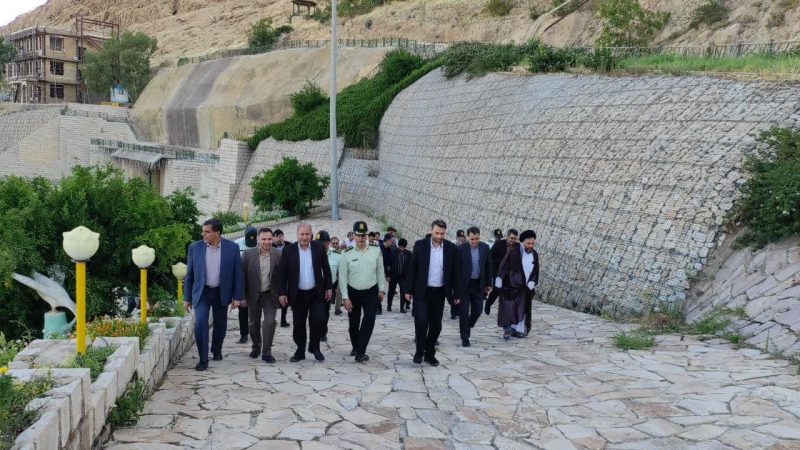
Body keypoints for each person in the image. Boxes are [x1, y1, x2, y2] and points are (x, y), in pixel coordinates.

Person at [183, 218, 245, 371]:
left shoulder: (232, 248)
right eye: (203, 231)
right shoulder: (194, 248)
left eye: (207, 232)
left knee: (220, 325)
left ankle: (216, 349)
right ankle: (203, 360)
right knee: (200, 324)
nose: (203, 234)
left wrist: (237, 297)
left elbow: (238, 274)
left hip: (221, 292)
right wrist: (187, 298)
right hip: (202, 292)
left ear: (217, 233)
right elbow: (189, 275)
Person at [275, 222, 332, 362]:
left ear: (311, 235)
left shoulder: (319, 248)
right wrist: (282, 293)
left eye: (307, 234)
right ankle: (300, 351)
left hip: (316, 292)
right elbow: (281, 273)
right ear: (297, 234)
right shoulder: (288, 250)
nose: (304, 237)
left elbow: (326, 268)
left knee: (318, 320)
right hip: (298, 294)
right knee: (299, 324)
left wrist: (329, 287)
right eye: (302, 234)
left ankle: (315, 348)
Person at [405, 219, 459, 366]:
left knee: (436, 326)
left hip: (440, 292)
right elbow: (412, 268)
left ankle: (429, 353)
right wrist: (408, 290)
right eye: (437, 233)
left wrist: (457, 294)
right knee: (421, 321)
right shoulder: (420, 245)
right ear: (431, 230)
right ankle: (419, 351)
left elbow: (456, 272)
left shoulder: (451, 248)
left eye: (442, 234)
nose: (439, 236)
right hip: (422, 291)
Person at [340, 221, 386, 362]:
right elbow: (343, 276)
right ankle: (356, 346)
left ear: (366, 235)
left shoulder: (375, 250)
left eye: (363, 235)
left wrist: (381, 289)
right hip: (353, 292)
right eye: (358, 235)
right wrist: (345, 297)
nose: (361, 238)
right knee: (354, 323)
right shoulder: (346, 253)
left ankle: (361, 351)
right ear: (353, 235)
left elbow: (380, 271)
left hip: (371, 291)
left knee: (370, 319)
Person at [241, 228, 282, 363]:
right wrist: (241, 296)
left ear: (273, 239)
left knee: (270, 322)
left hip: (270, 294)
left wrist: (283, 293)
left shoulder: (278, 254)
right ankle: (256, 346)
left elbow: (284, 276)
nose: (266, 242)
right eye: (263, 239)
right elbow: (241, 276)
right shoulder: (248, 254)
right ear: (258, 239)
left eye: (269, 239)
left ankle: (267, 352)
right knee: (253, 323)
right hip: (253, 294)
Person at [495, 230, 539, 340]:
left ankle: (518, 331)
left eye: (532, 243)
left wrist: (532, 281)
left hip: (525, 288)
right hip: (510, 286)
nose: (531, 246)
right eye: (528, 243)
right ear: (523, 242)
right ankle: (507, 330)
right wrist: (499, 278)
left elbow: (536, 270)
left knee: (521, 310)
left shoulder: (534, 254)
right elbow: (503, 265)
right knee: (509, 308)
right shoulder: (513, 252)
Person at [456, 227, 492, 347]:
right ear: (467, 238)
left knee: (478, 310)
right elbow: (456, 269)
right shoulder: (461, 249)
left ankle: (468, 325)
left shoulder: (485, 248)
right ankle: (465, 337)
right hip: (464, 286)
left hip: (478, 285)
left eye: (477, 239)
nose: (475, 241)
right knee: (463, 312)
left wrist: (488, 283)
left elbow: (488, 266)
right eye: (472, 239)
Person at [234, 226, 258, 344]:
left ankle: (256, 335)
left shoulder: (260, 244)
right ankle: (243, 335)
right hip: (242, 281)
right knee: (242, 309)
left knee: (255, 310)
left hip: (256, 281)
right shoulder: (237, 244)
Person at [485, 229, 518, 315]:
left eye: (515, 238)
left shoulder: (518, 247)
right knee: (497, 290)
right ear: (507, 236)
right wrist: (503, 262)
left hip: (510, 274)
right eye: (511, 238)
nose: (513, 240)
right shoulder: (499, 244)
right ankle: (488, 303)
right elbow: (491, 256)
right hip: (498, 271)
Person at [316, 230, 340, 343]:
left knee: (325, 311)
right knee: (316, 312)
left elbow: (341, 272)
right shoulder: (312, 253)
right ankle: (316, 332)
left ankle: (323, 332)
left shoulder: (337, 255)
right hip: (315, 288)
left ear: (327, 243)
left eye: (322, 243)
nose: (320, 245)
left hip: (329, 288)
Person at [273, 229, 292, 327]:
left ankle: (283, 320)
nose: (280, 238)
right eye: (278, 236)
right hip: (274, 274)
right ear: (274, 238)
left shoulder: (289, 245)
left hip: (286, 274)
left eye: (281, 236)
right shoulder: (271, 246)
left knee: (285, 295)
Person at [389, 238, 412, 313]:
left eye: (403, 247)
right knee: (391, 291)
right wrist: (388, 275)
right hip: (394, 275)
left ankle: (402, 307)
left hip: (403, 276)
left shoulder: (409, 253)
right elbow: (389, 264)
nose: (402, 249)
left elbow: (410, 265)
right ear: (398, 246)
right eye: (400, 247)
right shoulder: (393, 252)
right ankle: (389, 306)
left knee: (403, 291)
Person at [379, 233, 394, 313]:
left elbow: (389, 263)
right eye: (392, 242)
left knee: (381, 290)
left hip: (384, 272)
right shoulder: (379, 248)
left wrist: (388, 275)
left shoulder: (389, 249)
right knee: (378, 290)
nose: (392, 243)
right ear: (387, 240)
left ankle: (381, 308)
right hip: (377, 272)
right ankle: (379, 309)